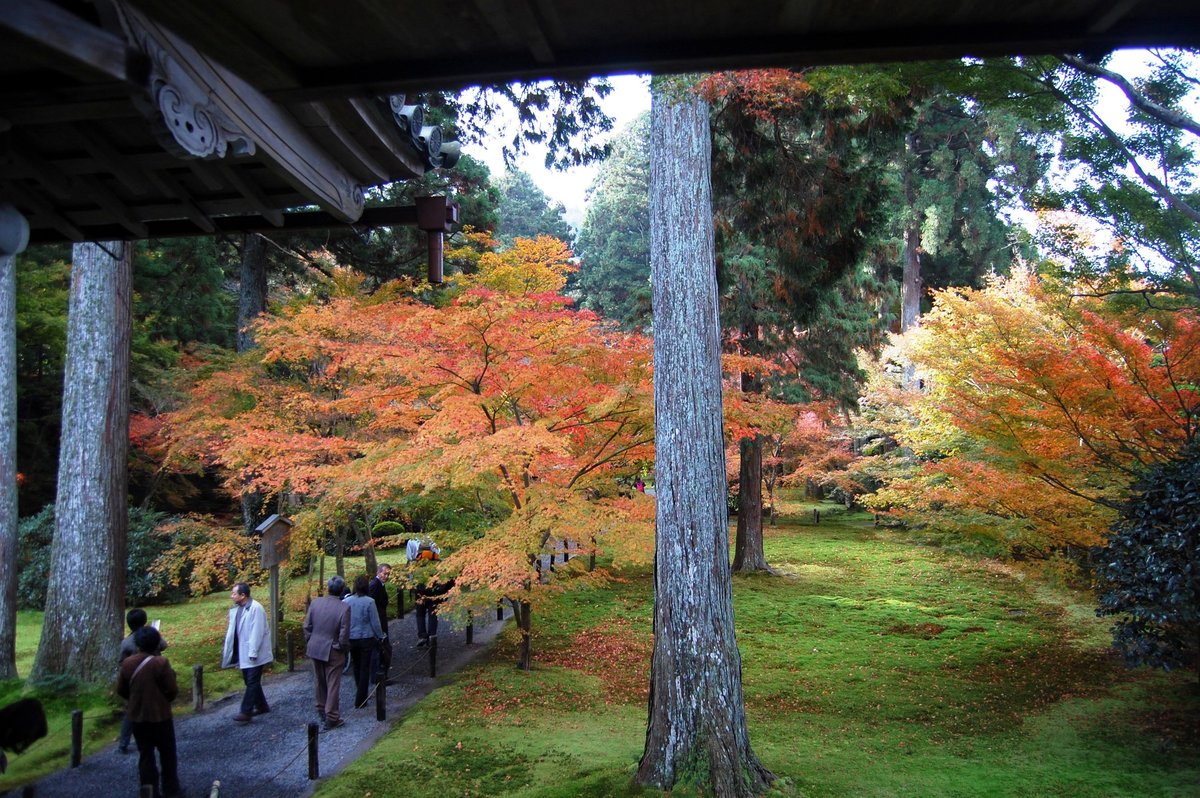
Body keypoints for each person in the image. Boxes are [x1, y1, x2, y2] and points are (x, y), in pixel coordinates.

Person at [116, 626, 181, 798]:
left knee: (145, 755)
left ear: (137, 643)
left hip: (138, 717)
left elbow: (122, 689)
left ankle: (149, 790)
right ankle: (171, 790)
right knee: (168, 754)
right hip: (161, 716)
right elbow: (172, 689)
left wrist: (135, 700)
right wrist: (166, 698)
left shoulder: (128, 663)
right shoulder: (161, 663)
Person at [220, 582, 273, 723]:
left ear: (243, 595)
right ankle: (261, 705)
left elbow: (257, 632)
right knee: (249, 681)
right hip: (244, 651)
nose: (232, 596)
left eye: (234, 593)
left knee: (252, 681)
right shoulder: (238, 609)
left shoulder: (256, 608)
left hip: (254, 652)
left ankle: (246, 711)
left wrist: (253, 652)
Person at [304, 575, 351, 730]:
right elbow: (344, 633)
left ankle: (321, 708)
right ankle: (331, 716)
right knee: (333, 683)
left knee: (319, 680)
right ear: (342, 590)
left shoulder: (316, 603)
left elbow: (307, 626)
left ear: (328, 588)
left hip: (315, 647)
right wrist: (341, 647)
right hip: (333, 649)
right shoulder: (344, 607)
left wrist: (311, 640)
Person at [118, 608, 166, 754]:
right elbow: (163, 645)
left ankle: (123, 743)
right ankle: (160, 738)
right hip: (155, 677)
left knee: (131, 712)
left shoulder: (126, 643)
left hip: (135, 682)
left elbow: (121, 661)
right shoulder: (152, 635)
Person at [344, 575, 385, 708]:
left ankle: (360, 691)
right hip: (366, 638)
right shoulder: (369, 602)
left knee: (356, 666)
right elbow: (375, 622)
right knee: (365, 668)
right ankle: (361, 698)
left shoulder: (347, 601)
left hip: (352, 637)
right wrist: (380, 636)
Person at [414, 565, 454, 648]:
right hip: (435, 595)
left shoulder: (416, 564)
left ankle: (422, 636)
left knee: (420, 615)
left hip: (420, 594)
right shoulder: (439, 563)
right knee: (433, 616)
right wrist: (445, 593)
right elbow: (448, 581)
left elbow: (411, 581)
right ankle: (431, 638)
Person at [368, 564, 392, 680]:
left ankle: (381, 675)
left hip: (381, 620)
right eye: (384, 573)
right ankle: (379, 676)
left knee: (383, 649)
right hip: (378, 622)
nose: (386, 576)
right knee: (381, 649)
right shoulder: (374, 585)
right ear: (378, 572)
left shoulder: (380, 585)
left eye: (388, 574)